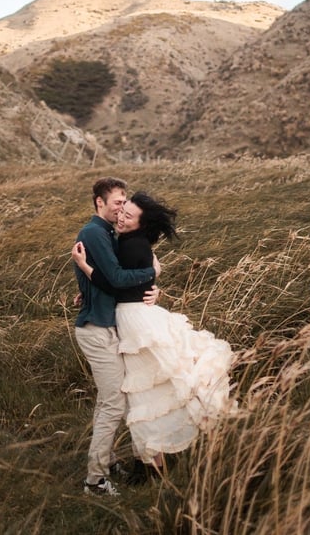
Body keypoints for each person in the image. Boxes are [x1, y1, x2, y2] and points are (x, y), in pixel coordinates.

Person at [73, 190, 235, 482]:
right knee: (146, 391)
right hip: (132, 318)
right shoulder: (125, 239)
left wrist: (87, 269)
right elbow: (126, 278)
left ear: (141, 224)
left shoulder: (132, 244)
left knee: (148, 391)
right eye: (121, 210)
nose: (122, 216)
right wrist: (146, 276)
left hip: (135, 321)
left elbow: (118, 283)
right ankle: (150, 460)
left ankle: (150, 462)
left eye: (128, 214)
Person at [73, 177, 160, 496]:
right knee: (114, 403)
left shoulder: (110, 231)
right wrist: (152, 272)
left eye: (125, 203)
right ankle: (94, 480)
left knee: (110, 399)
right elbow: (116, 278)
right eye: (117, 203)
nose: (121, 208)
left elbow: (112, 281)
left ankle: (107, 461)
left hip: (108, 325)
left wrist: (152, 286)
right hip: (97, 330)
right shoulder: (93, 233)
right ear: (100, 202)